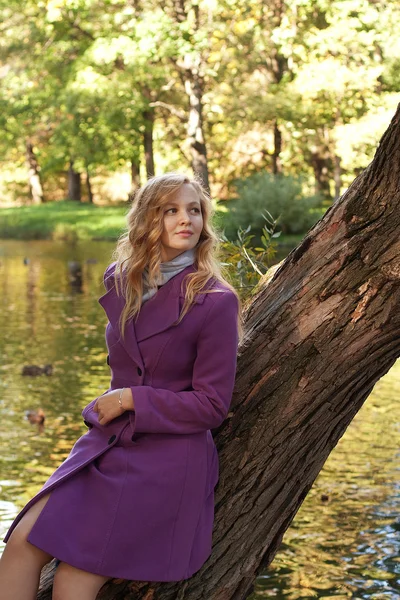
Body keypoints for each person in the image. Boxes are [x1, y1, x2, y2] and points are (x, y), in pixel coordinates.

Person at [0, 172, 242, 600]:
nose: (186, 219)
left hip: (168, 458)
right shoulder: (121, 279)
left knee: (75, 575)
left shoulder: (215, 300)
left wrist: (132, 398)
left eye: (194, 210)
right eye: (171, 210)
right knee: (20, 542)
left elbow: (211, 406)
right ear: (148, 218)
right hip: (108, 443)